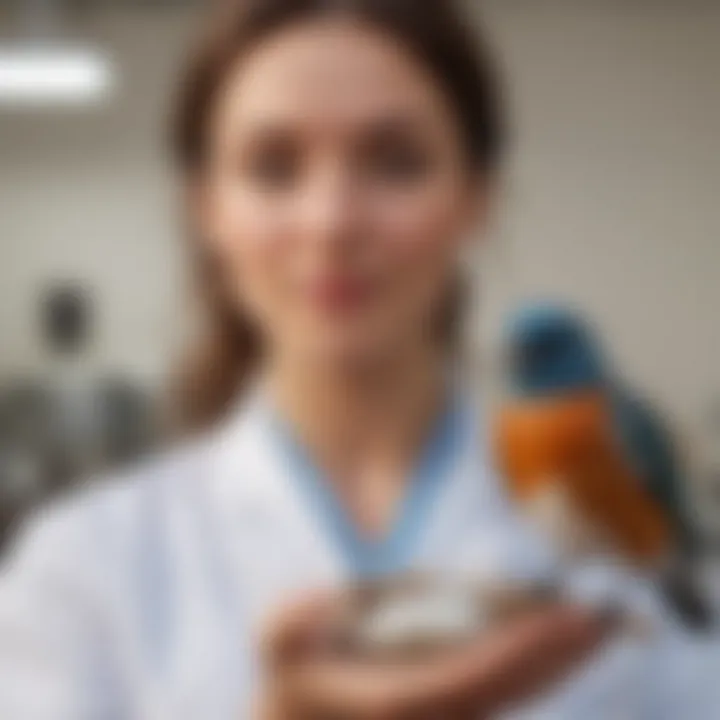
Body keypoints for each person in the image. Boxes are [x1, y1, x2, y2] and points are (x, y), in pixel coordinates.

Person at [0, 1, 705, 717]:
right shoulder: (80, 570)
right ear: (206, 208)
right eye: (274, 168)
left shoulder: (631, 543)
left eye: (397, 163)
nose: (332, 220)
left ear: (476, 198)